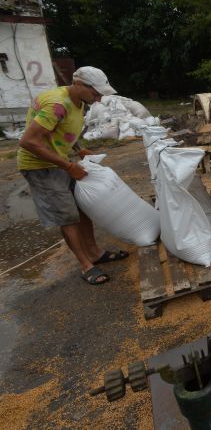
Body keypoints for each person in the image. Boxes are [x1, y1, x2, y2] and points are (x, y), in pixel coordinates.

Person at [17, 66, 129, 285]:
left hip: (59, 161)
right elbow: (28, 142)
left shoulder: (78, 102)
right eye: (95, 93)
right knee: (67, 216)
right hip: (41, 167)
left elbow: (61, 130)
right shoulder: (56, 105)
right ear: (79, 84)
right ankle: (86, 265)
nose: (97, 99)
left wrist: (78, 150)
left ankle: (95, 253)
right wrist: (68, 166)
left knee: (82, 209)